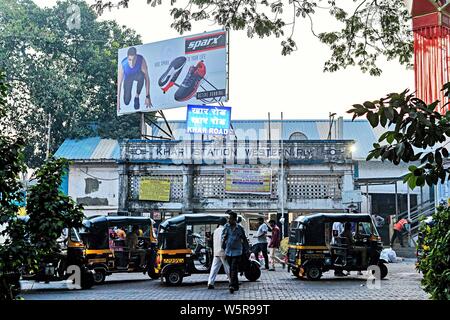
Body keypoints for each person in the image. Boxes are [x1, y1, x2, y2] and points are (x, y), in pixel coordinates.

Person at [117, 47, 152, 111]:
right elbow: (119, 85)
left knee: (142, 76)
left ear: (136, 56)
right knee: (126, 102)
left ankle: (137, 96)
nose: (132, 63)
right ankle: (128, 98)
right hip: (128, 78)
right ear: (127, 58)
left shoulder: (141, 60)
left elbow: (147, 78)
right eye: (130, 60)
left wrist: (147, 96)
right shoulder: (123, 64)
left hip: (137, 75)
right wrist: (118, 103)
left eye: (134, 60)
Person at [222, 211, 249, 294]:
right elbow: (223, 237)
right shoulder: (226, 227)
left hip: (237, 251)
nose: (228, 220)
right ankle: (235, 284)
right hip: (228, 251)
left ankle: (231, 285)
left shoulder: (239, 228)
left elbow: (244, 239)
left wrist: (247, 249)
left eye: (230, 218)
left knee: (233, 267)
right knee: (231, 268)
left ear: (234, 219)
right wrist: (224, 242)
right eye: (228, 218)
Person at [207, 217, 230, 289]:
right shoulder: (225, 230)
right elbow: (224, 241)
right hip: (223, 251)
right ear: (225, 223)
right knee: (228, 267)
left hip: (216, 251)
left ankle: (210, 283)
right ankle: (232, 281)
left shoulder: (216, 230)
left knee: (214, 268)